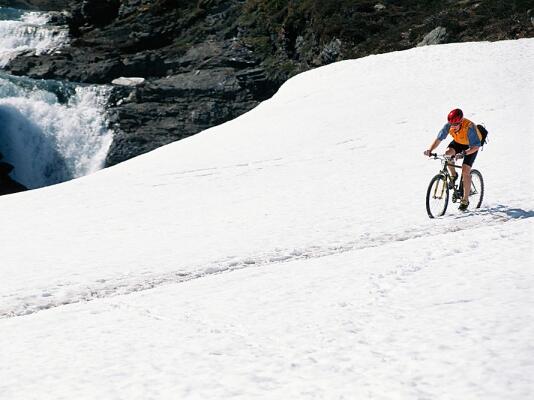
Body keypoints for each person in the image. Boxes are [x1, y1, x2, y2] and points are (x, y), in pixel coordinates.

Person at [423, 108, 482, 211]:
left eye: (455, 125)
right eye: (451, 125)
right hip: (459, 142)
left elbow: (476, 146)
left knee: (465, 171)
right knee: (447, 154)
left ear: (461, 121)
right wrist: (430, 149)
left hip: (471, 147)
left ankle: (465, 200)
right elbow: (439, 139)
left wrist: (464, 153)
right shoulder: (449, 125)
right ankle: (453, 175)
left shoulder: (469, 127)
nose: (453, 127)